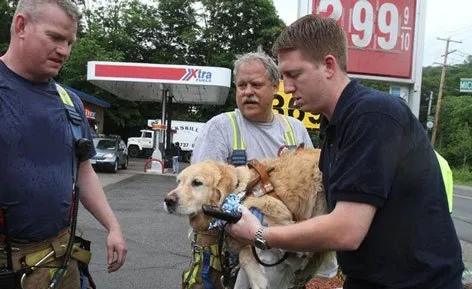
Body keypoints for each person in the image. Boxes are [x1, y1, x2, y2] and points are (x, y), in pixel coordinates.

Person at [227, 14, 464, 289]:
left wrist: (259, 233)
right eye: (283, 77)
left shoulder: (372, 115)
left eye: (295, 74)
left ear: (328, 65)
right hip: (370, 279)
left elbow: (346, 230)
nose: (287, 88)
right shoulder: (335, 125)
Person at [0, 1, 127, 288]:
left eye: (70, 42)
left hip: (62, 262)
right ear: (21, 26)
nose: (65, 51)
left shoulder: (69, 102)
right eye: (55, 38)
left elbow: (83, 170)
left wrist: (113, 226)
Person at [192, 51, 337, 289]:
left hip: (286, 255)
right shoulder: (220, 128)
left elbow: (316, 189)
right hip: (230, 256)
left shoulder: (295, 130)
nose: (247, 92)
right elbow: (202, 199)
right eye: (241, 85)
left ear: (275, 86)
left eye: (256, 85)